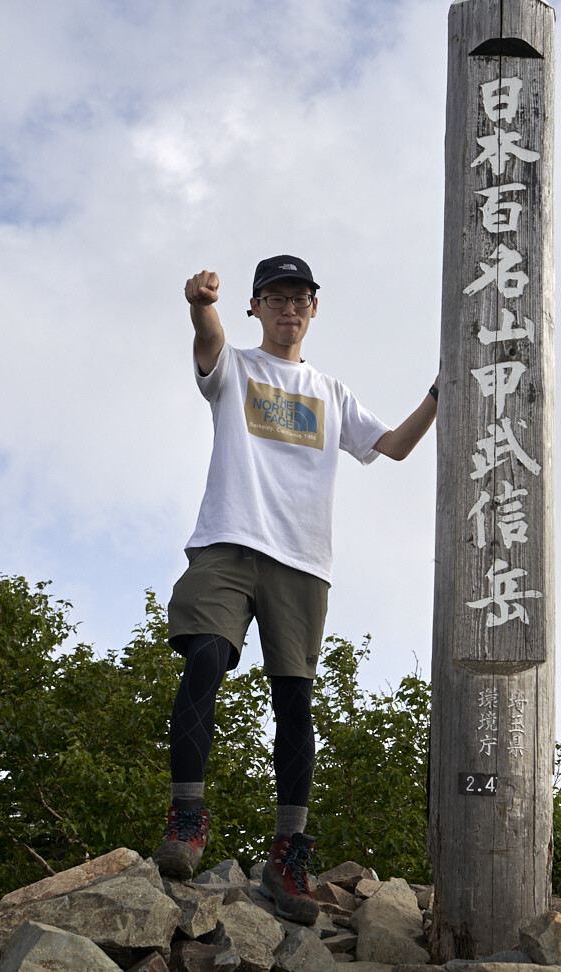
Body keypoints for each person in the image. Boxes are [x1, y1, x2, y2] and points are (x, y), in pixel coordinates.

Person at [152, 255, 437, 924]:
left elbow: (391, 446)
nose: (288, 308)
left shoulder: (331, 392)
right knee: (204, 658)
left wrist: (438, 393)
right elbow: (207, 343)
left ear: (314, 309)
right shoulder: (236, 368)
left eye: (299, 298)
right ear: (255, 307)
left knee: (294, 701)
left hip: (302, 561)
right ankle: (187, 818)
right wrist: (200, 306)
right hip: (227, 540)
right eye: (275, 297)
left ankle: (288, 851)